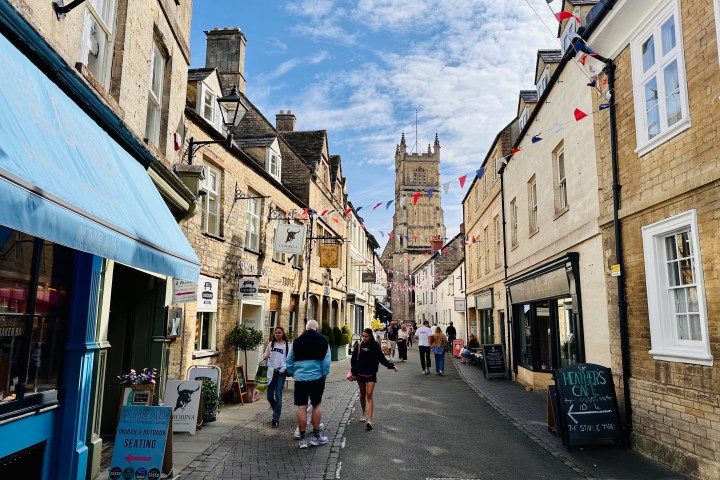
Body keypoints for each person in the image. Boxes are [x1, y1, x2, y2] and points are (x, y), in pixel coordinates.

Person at [286, 320, 331, 449]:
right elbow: (326, 362)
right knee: (316, 404)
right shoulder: (323, 341)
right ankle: (316, 437)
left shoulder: (296, 342)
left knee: (301, 407)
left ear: (306, 328)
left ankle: (302, 439)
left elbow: (289, 362)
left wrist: (294, 374)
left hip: (300, 379)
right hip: (316, 377)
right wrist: (323, 374)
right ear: (316, 329)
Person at [350, 328, 397, 430]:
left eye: (366, 336)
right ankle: (363, 412)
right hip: (360, 374)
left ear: (370, 336)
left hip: (371, 373)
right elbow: (353, 360)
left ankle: (370, 420)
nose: (364, 338)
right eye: (363, 336)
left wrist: (391, 366)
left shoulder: (375, 345)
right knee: (362, 394)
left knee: (369, 394)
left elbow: (381, 358)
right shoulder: (359, 345)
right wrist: (354, 372)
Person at [262, 326, 288, 428]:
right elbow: (265, 353)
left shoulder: (287, 345)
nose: (277, 334)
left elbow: (289, 359)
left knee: (278, 396)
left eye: (279, 333)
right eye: (276, 333)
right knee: (269, 396)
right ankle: (276, 409)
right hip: (271, 372)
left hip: (281, 373)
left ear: (283, 334)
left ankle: (275, 419)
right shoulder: (271, 344)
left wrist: (284, 368)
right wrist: (265, 356)